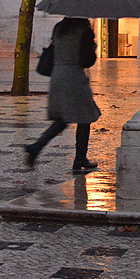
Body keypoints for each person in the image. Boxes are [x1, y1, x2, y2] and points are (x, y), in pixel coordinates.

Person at [24, 17, 101, 173]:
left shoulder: (60, 27)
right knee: (85, 117)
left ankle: (37, 148)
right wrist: (93, 46)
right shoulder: (83, 29)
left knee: (64, 119)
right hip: (74, 77)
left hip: (57, 75)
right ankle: (77, 157)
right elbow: (87, 60)